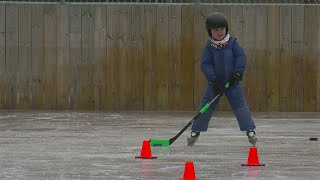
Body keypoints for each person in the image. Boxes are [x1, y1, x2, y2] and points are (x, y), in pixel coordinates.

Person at [187, 12, 257, 147]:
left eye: (221, 29)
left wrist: (237, 73)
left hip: (232, 82)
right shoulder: (209, 47)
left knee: (240, 106)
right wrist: (213, 80)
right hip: (215, 84)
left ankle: (250, 130)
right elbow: (205, 64)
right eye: (215, 30)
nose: (219, 32)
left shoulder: (232, 43)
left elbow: (241, 57)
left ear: (226, 29)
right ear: (210, 31)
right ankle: (196, 130)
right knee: (206, 106)